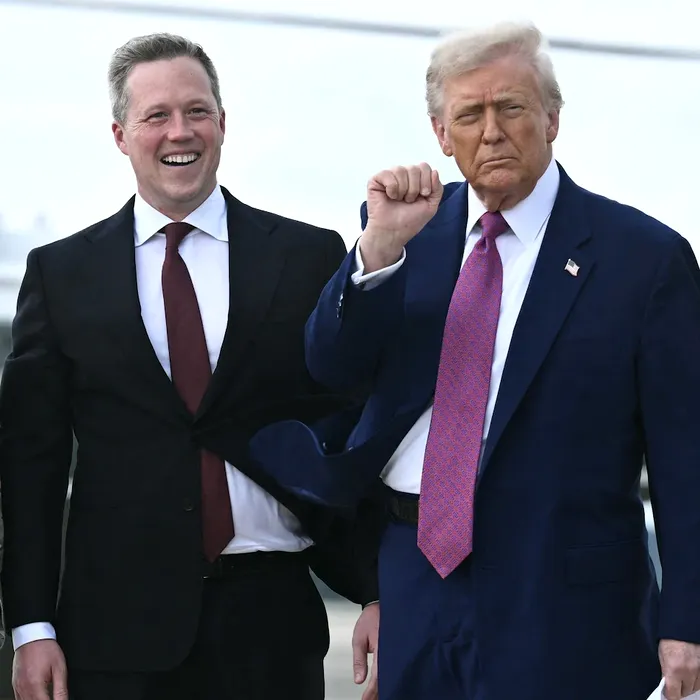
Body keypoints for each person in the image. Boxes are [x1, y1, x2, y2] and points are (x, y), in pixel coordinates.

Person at [249, 21, 700, 700]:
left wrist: (688, 620)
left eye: (511, 107)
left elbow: (685, 456)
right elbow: (331, 370)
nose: (491, 132)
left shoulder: (644, 259)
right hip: (417, 586)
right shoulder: (405, 237)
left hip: (567, 601)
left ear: (552, 119)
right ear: (441, 134)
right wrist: (376, 253)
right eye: (469, 115)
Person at [0, 33, 380, 700]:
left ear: (223, 123)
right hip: (114, 631)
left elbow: (355, 430)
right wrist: (30, 626)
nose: (181, 131)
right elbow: (33, 465)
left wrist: (379, 588)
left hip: (272, 622)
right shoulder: (61, 275)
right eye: (157, 115)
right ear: (121, 136)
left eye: (197, 111)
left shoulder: (307, 258)